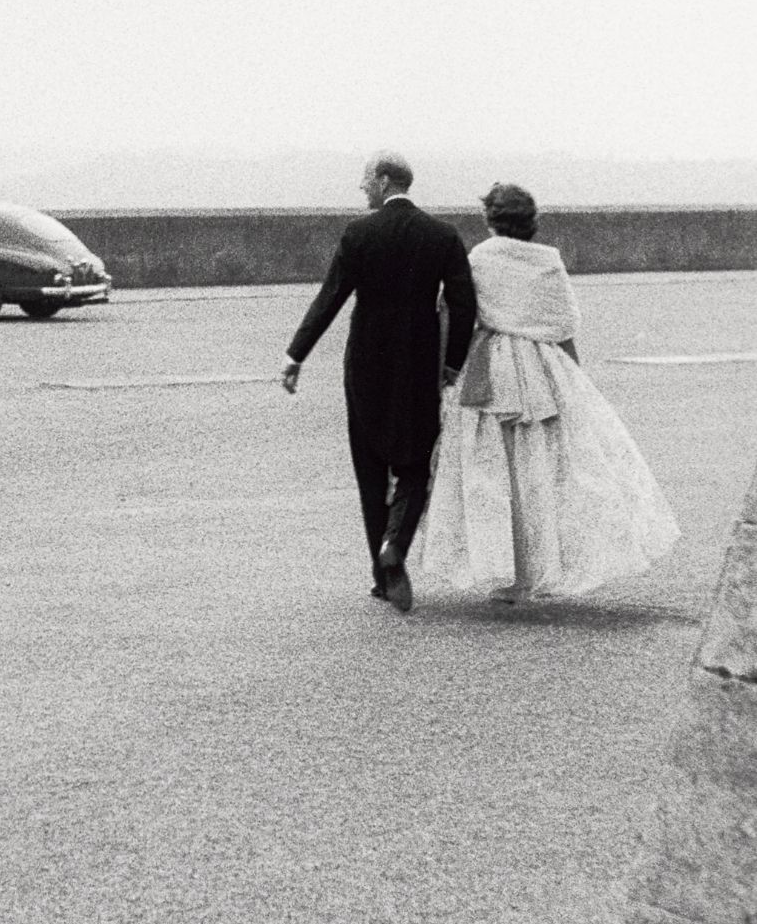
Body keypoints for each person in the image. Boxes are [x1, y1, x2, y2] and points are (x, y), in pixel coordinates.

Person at [419, 183, 679, 601]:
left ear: (490, 219)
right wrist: (576, 382)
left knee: (495, 473)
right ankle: (544, 568)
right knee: (544, 471)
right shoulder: (549, 262)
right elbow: (563, 325)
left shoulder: (480, 258)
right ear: (530, 222)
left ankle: (507, 570)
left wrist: (446, 370)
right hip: (545, 368)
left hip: (492, 365)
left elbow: (461, 313)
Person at [282, 152, 477, 613]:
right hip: (419, 363)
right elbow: (463, 304)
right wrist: (451, 365)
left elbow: (330, 297)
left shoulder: (359, 233)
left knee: (370, 466)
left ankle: (382, 575)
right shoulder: (442, 235)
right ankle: (396, 544)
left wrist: (296, 355)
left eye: (366, 180)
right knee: (415, 463)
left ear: (385, 180)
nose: (362, 188)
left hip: (366, 364)